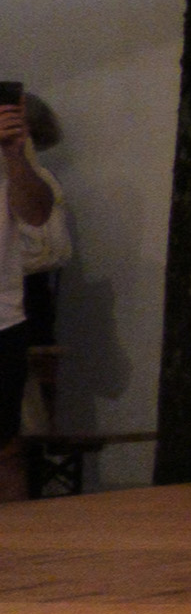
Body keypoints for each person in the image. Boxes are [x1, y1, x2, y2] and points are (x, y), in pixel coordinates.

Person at [0, 87, 56, 503]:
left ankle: (18, 556)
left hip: (3, 317)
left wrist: (15, 154)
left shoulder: (13, 150)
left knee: (6, 448)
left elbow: (37, 213)